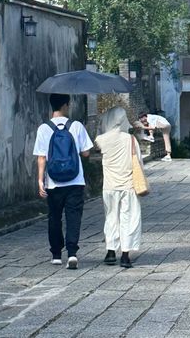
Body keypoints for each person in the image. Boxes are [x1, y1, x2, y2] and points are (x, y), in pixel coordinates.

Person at [33, 93, 93, 269]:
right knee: (74, 216)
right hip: (75, 181)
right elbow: (86, 153)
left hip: (53, 182)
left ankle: (56, 254)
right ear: (66, 105)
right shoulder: (76, 126)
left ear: (52, 106)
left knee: (54, 217)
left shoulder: (43, 128)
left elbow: (41, 157)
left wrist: (40, 180)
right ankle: (72, 253)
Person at [95, 106, 142, 268]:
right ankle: (126, 254)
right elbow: (139, 163)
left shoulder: (101, 140)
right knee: (128, 218)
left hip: (109, 187)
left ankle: (110, 251)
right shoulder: (130, 139)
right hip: (128, 186)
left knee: (111, 218)